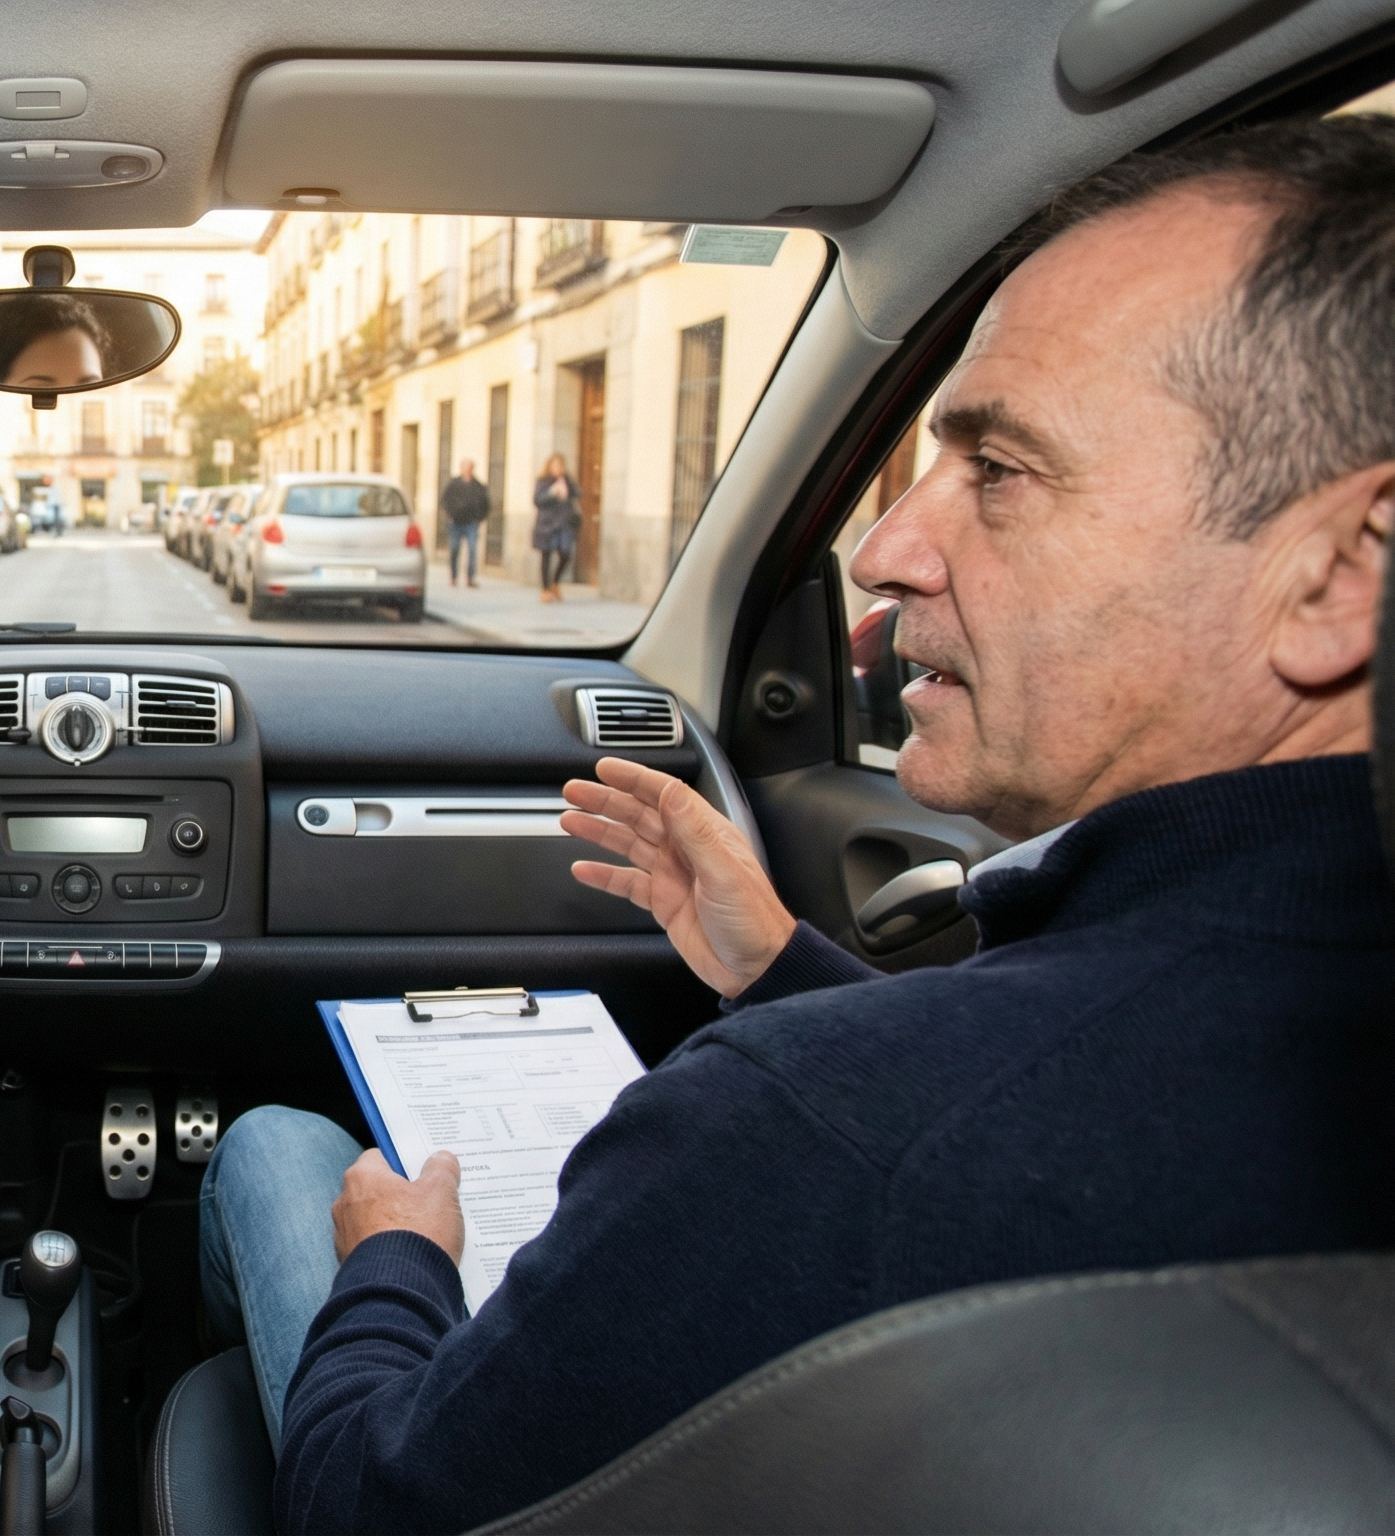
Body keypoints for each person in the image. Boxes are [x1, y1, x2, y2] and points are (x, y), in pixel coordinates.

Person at [198, 114, 1395, 1531]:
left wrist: (397, 1265)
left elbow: (375, 1505)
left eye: (998, 471)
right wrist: (781, 967)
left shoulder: (801, 1123)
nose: (885, 547)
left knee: (280, 1145)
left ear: (1336, 579)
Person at [530, 454, 581, 601]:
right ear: (549, 466)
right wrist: (553, 493)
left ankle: (555, 583)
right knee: (546, 556)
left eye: (561, 465)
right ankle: (545, 589)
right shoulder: (543, 481)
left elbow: (578, 492)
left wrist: (568, 488)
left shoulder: (567, 480)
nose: (558, 468)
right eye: (555, 465)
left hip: (564, 524)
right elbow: (537, 500)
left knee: (566, 554)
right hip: (547, 524)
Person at [438, 457, 490, 586]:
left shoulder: (478, 486)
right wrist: (449, 515)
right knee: (454, 550)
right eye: (465, 467)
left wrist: (479, 518)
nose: (467, 470)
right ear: (461, 469)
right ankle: (454, 576)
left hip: (471, 523)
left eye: (469, 467)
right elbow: (444, 500)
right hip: (455, 523)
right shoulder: (453, 484)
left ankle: (470, 578)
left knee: (472, 550)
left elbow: (486, 504)